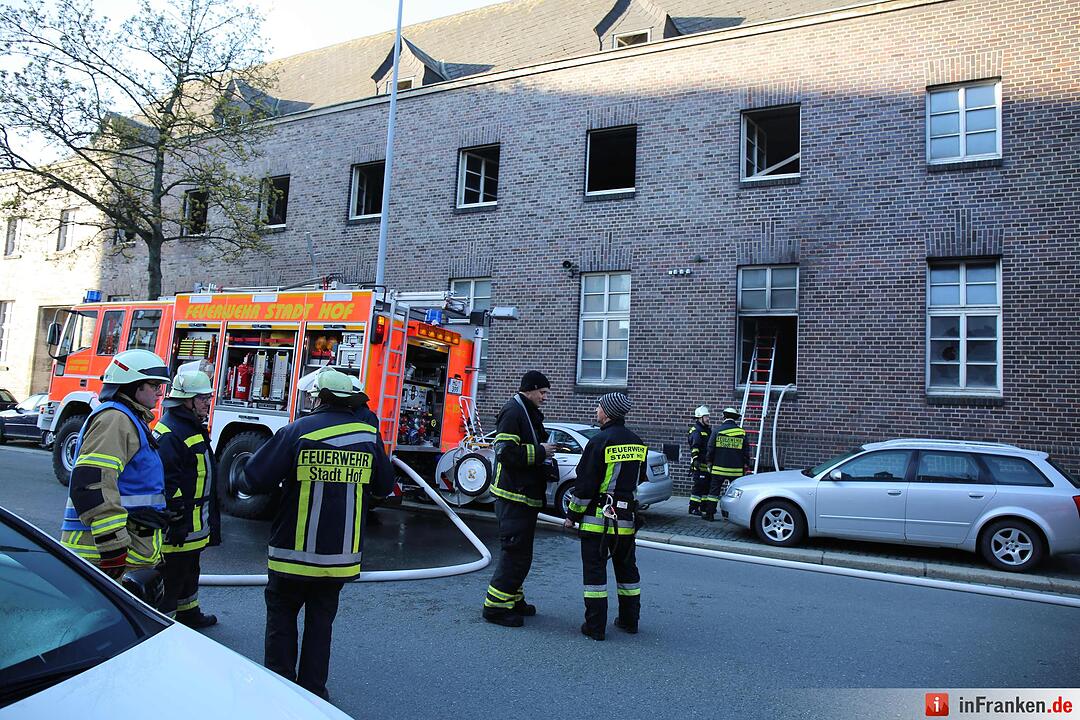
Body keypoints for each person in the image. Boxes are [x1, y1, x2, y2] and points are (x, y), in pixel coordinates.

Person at [241, 369, 393, 701]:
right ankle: (313, 695)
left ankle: (279, 694)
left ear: (319, 397)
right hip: (340, 558)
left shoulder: (296, 432)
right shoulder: (368, 436)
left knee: (282, 622)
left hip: (291, 556)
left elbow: (253, 480)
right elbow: (384, 487)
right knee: (320, 626)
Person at [60, 349, 170, 579]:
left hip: (121, 554)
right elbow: (94, 484)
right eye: (154, 385)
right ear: (133, 386)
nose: (160, 393)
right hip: (102, 555)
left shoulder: (128, 418)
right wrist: (113, 545)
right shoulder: (115, 419)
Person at [564, 392, 645, 641]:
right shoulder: (637, 442)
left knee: (595, 574)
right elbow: (638, 479)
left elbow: (586, 485)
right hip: (626, 522)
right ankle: (630, 621)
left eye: (598, 406)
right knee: (627, 571)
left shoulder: (599, 441)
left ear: (608, 412)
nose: (596, 410)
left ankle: (595, 627)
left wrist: (572, 515)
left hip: (598, 522)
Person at [481, 369, 557, 628]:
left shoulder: (525, 411)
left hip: (523, 495)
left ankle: (513, 599)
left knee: (521, 553)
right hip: (513, 496)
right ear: (531, 389)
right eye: (543, 393)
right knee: (515, 553)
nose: (545, 398)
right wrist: (540, 451)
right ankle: (495, 608)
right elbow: (506, 453)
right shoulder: (514, 412)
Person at [153, 370, 217, 628]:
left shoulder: (188, 425)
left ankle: (189, 612)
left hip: (194, 524)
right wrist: (177, 519)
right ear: (186, 400)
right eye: (202, 398)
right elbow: (167, 482)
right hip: (181, 525)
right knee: (172, 577)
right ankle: (164, 625)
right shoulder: (172, 432)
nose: (206, 403)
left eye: (207, 398)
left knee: (190, 571)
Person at [701, 407, 750, 522]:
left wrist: (709, 462)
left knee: (713, 492)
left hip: (718, 469)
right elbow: (746, 451)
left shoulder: (717, 431)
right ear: (735, 419)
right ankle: (736, 516)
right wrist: (746, 464)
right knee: (738, 494)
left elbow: (710, 448)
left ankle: (710, 514)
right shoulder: (742, 432)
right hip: (736, 471)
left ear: (724, 417)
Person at [686, 405, 712, 515]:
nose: (708, 419)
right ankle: (693, 507)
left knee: (706, 486)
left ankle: (703, 506)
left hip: (706, 464)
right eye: (706, 417)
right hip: (699, 463)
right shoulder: (696, 430)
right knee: (699, 486)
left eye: (707, 416)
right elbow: (695, 446)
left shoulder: (707, 430)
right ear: (700, 418)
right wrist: (695, 459)